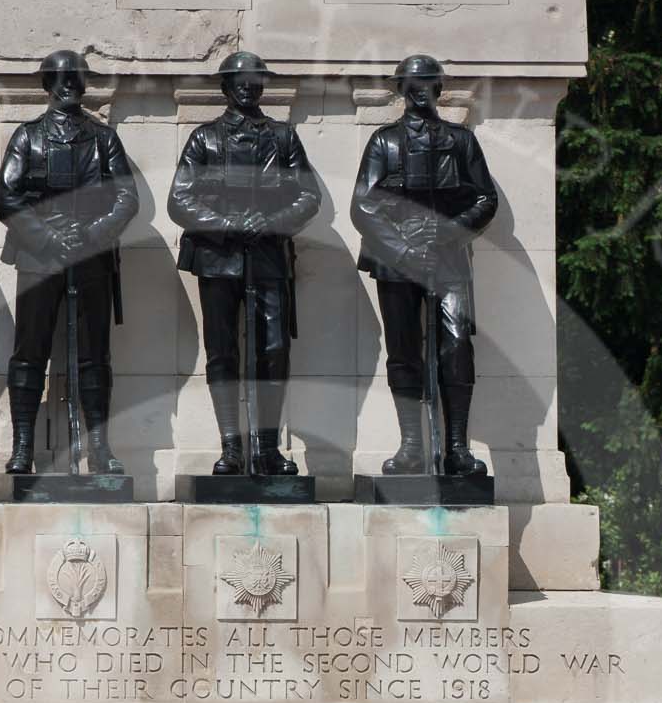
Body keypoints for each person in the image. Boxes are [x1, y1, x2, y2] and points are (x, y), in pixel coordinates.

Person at [167, 51, 320, 476]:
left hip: (269, 257)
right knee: (222, 353)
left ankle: (267, 447)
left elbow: (308, 196)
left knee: (273, 350)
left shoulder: (283, 137)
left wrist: (270, 224)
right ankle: (232, 446)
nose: (249, 86)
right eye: (241, 79)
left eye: (256, 79)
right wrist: (227, 224)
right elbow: (180, 199)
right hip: (218, 259)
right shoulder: (205, 139)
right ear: (226, 87)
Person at [350, 54, 498, 477]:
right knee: (404, 351)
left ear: (438, 88)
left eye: (427, 83)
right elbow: (363, 205)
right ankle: (412, 446)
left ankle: (456, 448)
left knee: (456, 348)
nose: (419, 91)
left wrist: (449, 233)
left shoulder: (460, 141)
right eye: (411, 84)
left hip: (448, 257)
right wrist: (404, 248)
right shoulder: (384, 142)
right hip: (395, 260)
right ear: (400, 90)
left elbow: (485, 198)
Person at [0, 50, 138, 475]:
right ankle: (23, 446)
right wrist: (49, 236)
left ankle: (99, 448)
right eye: (60, 78)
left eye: (75, 78)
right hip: (39, 258)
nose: (69, 85)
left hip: (91, 257)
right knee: (29, 352)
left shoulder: (104, 139)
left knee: (95, 355)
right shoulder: (28, 137)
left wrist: (92, 234)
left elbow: (126, 198)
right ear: (47, 85)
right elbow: (7, 199)